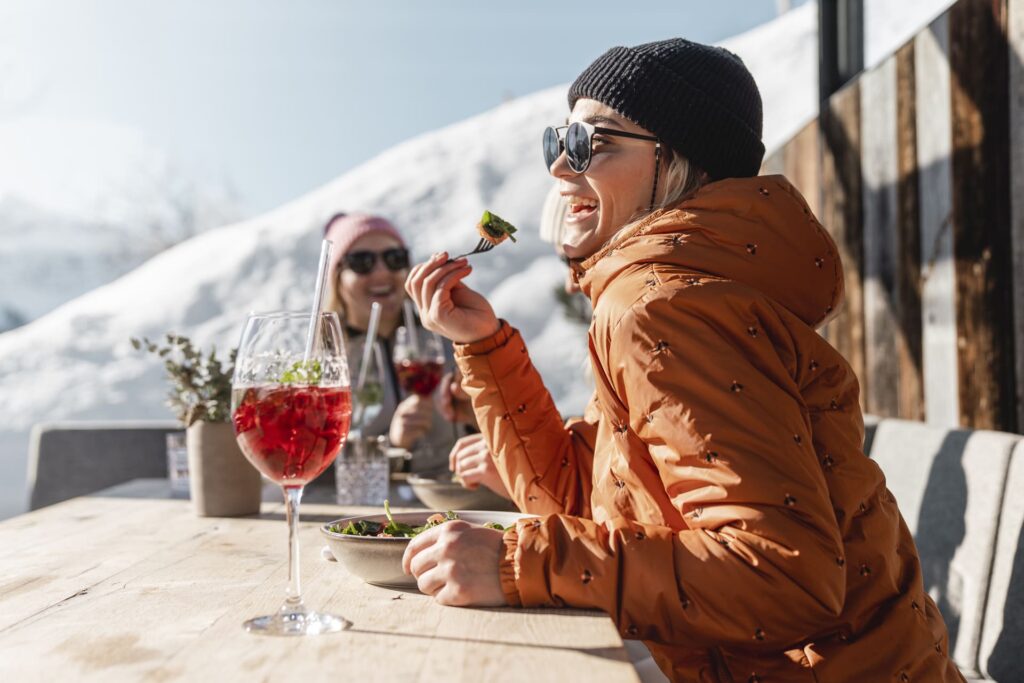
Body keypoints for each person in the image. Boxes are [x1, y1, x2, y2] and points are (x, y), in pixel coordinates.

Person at [401, 38, 964, 682]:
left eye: (592, 142)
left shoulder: (664, 308)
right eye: (557, 141)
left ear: (678, 164)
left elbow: (783, 575)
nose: (559, 167)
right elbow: (579, 499)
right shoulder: (657, 295)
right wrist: (484, 346)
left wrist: (522, 563)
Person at [322, 212, 461, 472]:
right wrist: (391, 446)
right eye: (362, 262)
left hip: (449, 497)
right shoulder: (325, 356)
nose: (382, 272)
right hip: (360, 507)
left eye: (395, 258)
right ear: (338, 278)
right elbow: (315, 458)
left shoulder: (444, 336)